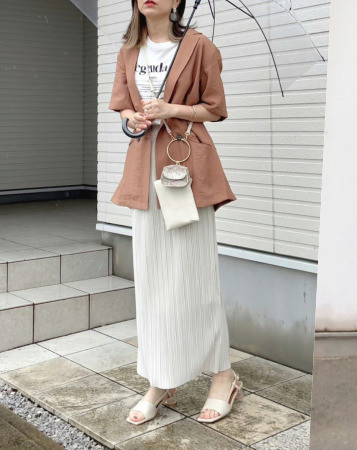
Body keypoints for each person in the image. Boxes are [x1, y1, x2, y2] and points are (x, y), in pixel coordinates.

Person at [108, 0, 243, 425]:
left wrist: (172, 110)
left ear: (177, 2)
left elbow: (214, 108)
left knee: (196, 277)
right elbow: (123, 108)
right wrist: (133, 120)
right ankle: (160, 379)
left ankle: (223, 375)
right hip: (143, 170)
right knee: (151, 280)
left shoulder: (200, 47)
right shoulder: (128, 51)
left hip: (185, 171)